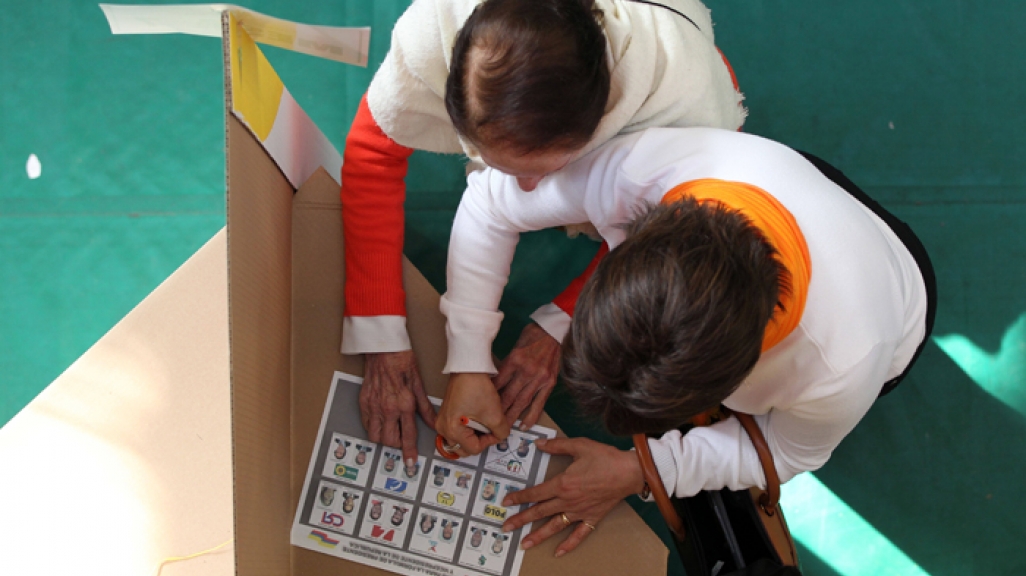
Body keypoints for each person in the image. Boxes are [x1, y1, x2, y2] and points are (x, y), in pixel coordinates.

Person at [438, 126, 936, 555]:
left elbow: (790, 451)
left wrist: (645, 470)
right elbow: (489, 202)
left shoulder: (844, 363)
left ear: (741, 375)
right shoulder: (640, 171)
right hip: (783, 178)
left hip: (897, 282)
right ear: (633, 235)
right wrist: (467, 358)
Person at [339, 0, 746, 466]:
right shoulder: (432, 34)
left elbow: (658, 232)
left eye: (549, 169)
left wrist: (558, 325)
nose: (525, 193)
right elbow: (375, 156)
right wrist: (381, 334)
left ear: (603, 123)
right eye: (497, 164)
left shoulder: (685, 101)